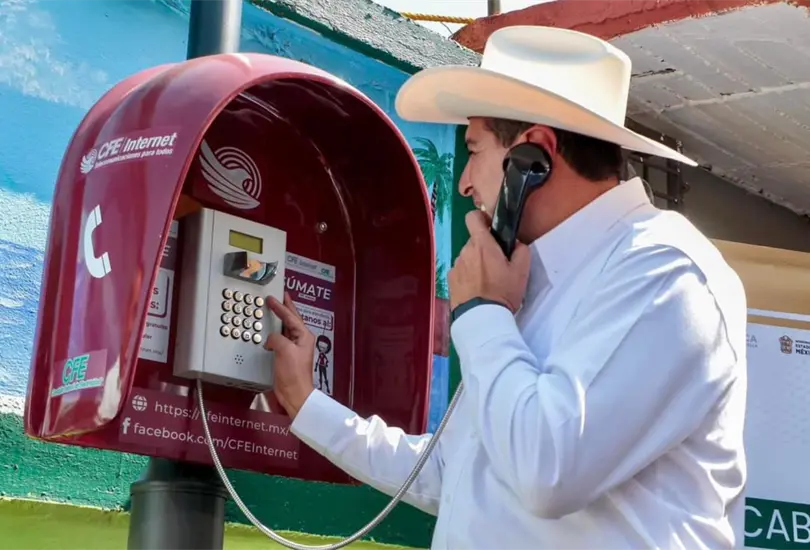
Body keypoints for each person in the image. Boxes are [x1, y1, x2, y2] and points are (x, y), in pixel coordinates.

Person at [264, 26, 748, 549]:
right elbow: (458, 473)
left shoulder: (662, 272)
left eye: (474, 150)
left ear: (533, 158)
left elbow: (548, 470)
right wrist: (306, 402)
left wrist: (480, 311)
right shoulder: (532, 282)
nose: (465, 182)